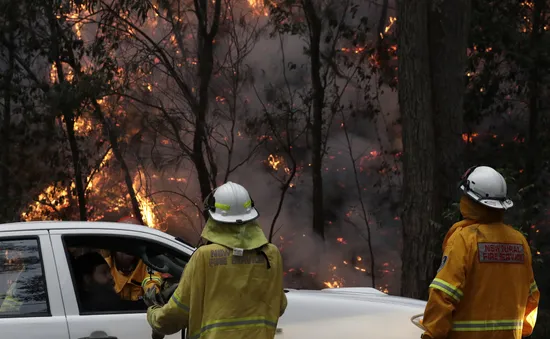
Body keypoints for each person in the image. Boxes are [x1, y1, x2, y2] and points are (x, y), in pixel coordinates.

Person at [146, 181, 287, 338]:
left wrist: (153, 312)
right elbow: (279, 306)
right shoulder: (271, 254)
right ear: (251, 215)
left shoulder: (204, 257)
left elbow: (175, 316)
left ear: (213, 217)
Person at [421, 166, 540, 339]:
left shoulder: (464, 239)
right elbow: (531, 296)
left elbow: (443, 295)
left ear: (470, 201)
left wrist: (431, 335)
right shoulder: (519, 241)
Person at [104, 216, 163, 303]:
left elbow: (152, 280)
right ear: (115, 241)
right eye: (124, 239)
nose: (129, 244)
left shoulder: (148, 264)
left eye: (134, 239)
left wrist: (153, 293)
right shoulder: (105, 266)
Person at [74, 251, 146, 312]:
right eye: (104, 272)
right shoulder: (92, 308)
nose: (111, 277)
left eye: (109, 272)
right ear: (88, 280)